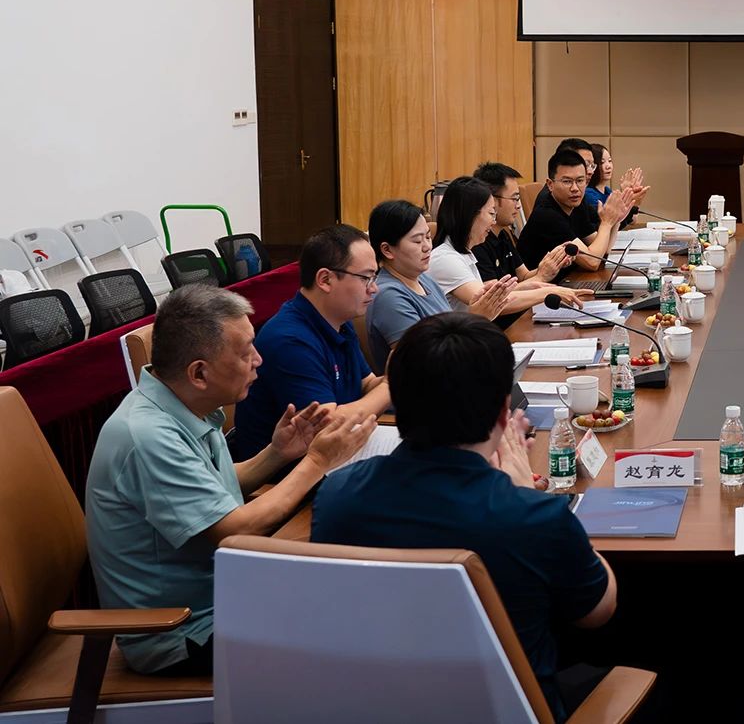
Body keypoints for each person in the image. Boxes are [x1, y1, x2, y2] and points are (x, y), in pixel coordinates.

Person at [312, 312, 617, 722]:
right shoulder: (531, 514)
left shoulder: (337, 495)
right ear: (504, 411)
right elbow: (598, 610)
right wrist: (526, 493)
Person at [85, 285, 373, 676]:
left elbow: (214, 486)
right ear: (199, 373)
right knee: (357, 627)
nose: (258, 360)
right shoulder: (147, 435)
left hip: (225, 594)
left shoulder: (181, 403)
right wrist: (318, 461)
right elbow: (235, 529)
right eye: (245, 351)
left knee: (355, 588)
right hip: (185, 631)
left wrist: (278, 453)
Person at [230, 225, 389, 460]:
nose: (374, 288)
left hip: (333, 459)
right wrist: (391, 385)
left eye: (374, 277)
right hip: (290, 473)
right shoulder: (289, 340)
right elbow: (328, 428)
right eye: (366, 278)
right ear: (325, 279)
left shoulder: (338, 321)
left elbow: (366, 384)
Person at [365, 199, 514, 372]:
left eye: (428, 237)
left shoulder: (425, 280)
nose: (427, 247)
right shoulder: (389, 296)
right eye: (417, 241)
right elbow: (426, 362)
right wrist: (475, 319)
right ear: (387, 250)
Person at [427, 177, 591, 325]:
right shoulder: (446, 259)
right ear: (470, 215)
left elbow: (495, 295)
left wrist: (531, 286)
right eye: (491, 213)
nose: (493, 221)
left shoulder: (463, 253)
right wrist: (548, 292)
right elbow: (489, 303)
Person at [471, 162, 575, 326]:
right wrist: (542, 278)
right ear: (492, 200)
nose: (518, 205)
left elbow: (524, 276)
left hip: (522, 317)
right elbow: (495, 301)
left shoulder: (503, 234)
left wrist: (550, 265)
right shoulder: (478, 243)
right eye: (514, 199)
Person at [518, 148, 635, 271]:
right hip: (541, 281)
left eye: (580, 181)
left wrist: (616, 219)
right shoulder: (547, 215)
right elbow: (592, 262)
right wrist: (606, 223)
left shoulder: (576, 204)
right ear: (550, 184)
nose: (575, 188)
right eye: (567, 181)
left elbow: (603, 250)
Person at [585, 144, 614, 208]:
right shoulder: (588, 193)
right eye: (602, 162)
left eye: (609, 161)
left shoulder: (607, 191)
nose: (608, 166)